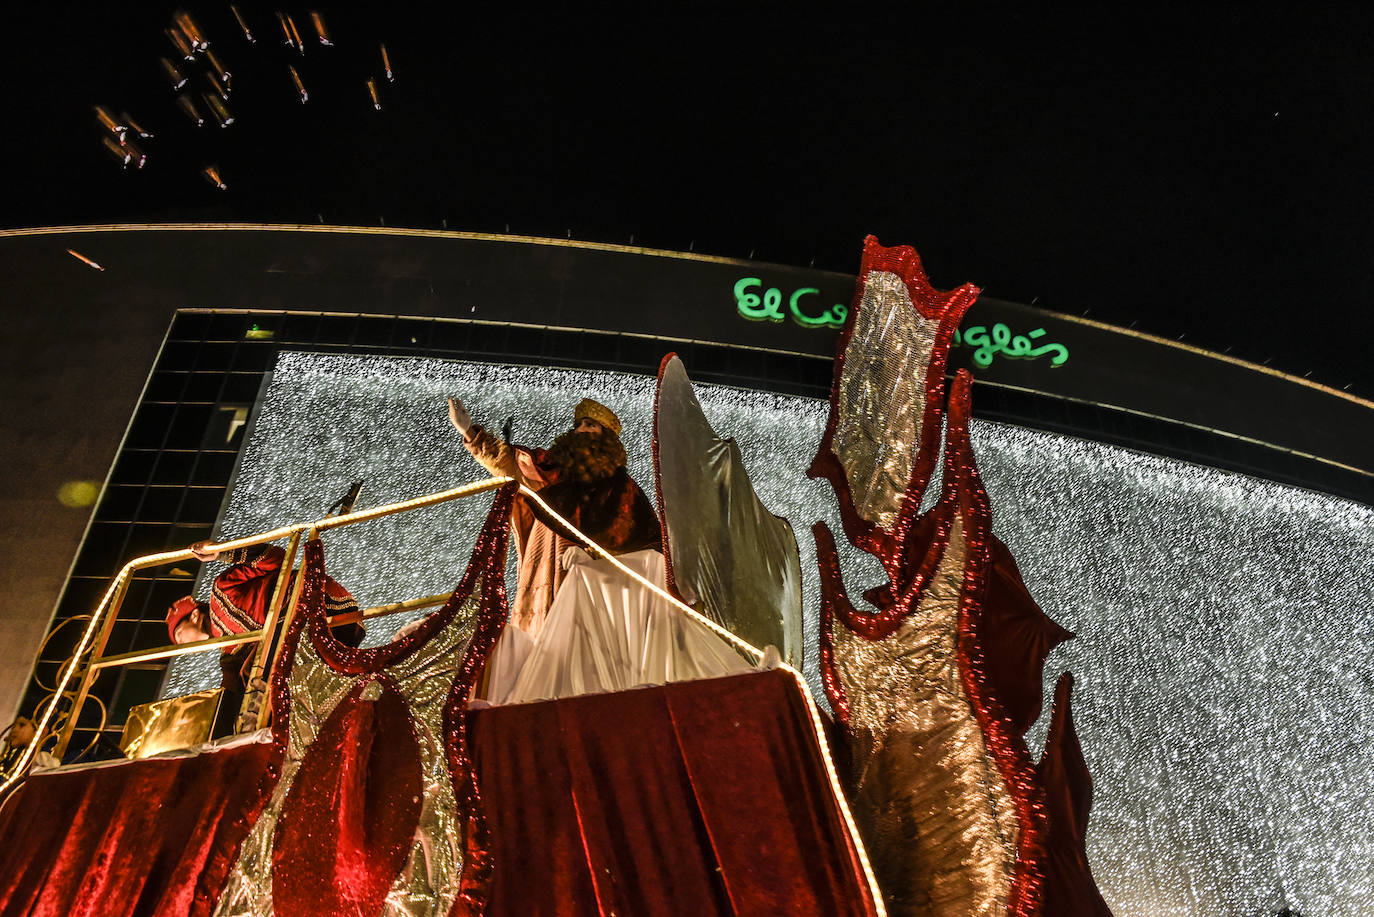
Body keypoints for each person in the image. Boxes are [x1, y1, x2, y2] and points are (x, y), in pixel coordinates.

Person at [448, 396, 661, 634]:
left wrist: (598, 556)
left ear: (607, 437)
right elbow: (508, 461)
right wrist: (469, 432)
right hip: (545, 548)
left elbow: (639, 537)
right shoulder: (551, 466)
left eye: (590, 425)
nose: (581, 430)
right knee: (540, 622)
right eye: (578, 425)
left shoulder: (621, 486)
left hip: (588, 567)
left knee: (577, 629)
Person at [165, 542, 364, 733]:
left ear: (194, 615)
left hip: (318, 603)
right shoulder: (228, 650)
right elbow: (230, 689)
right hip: (310, 640)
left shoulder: (222, 590)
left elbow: (275, 557)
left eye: (180, 635)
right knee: (246, 684)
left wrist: (221, 553)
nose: (182, 646)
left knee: (260, 671)